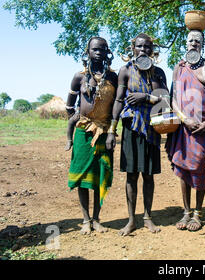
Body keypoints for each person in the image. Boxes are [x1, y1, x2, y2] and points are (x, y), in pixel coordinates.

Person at [107, 33, 168, 236]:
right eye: (139, 47)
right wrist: (111, 129)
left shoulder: (158, 73)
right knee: (131, 175)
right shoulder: (125, 71)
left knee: (148, 175)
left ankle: (148, 217)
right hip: (131, 128)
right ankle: (132, 219)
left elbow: (166, 101)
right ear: (133, 49)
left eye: (148, 47)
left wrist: (146, 97)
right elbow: (118, 100)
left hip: (152, 129)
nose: (143, 50)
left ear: (153, 50)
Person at [66, 36, 117, 235]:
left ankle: (97, 219)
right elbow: (69, 105)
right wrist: (75, 118)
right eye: (95, 49)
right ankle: (85, 219)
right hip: (83, 132)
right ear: (87, 52)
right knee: (82, 176)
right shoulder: (79, 77)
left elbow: (115, 108)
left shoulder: (112, 77)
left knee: (99, 176)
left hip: (104, 133)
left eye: (103, 49)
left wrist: (112, 131)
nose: (98, 52)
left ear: (107, 53)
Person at [165, 30, 205, 231]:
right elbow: (173, 99)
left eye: (197, 41)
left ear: (203, 44)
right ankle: (186, 211)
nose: (193, 43)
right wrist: (184, 120)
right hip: (183, 128)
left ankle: (198, 213)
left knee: (199, 170)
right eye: (190, 40)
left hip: (203, 128)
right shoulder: (179, 68)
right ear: (186, 44)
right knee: (183, 170)